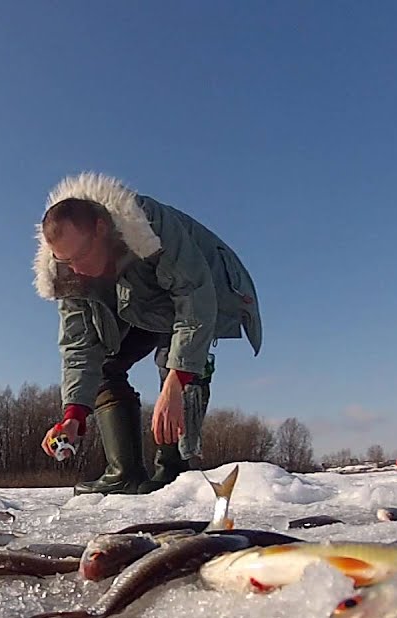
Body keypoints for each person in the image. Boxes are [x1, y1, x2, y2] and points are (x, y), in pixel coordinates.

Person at [34, 172, 262, 495]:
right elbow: (78, 346)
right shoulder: (67, 274)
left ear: (101, 228)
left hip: (200, 292)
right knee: (103, 366)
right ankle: (123, 472)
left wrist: (177, 379)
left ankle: (174, 470)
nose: (75, 269)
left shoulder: (149, 226)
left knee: (177, 363)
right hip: (135, 310)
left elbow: (194, 298)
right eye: (64, 260)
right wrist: (73, 414)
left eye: (80, 256)